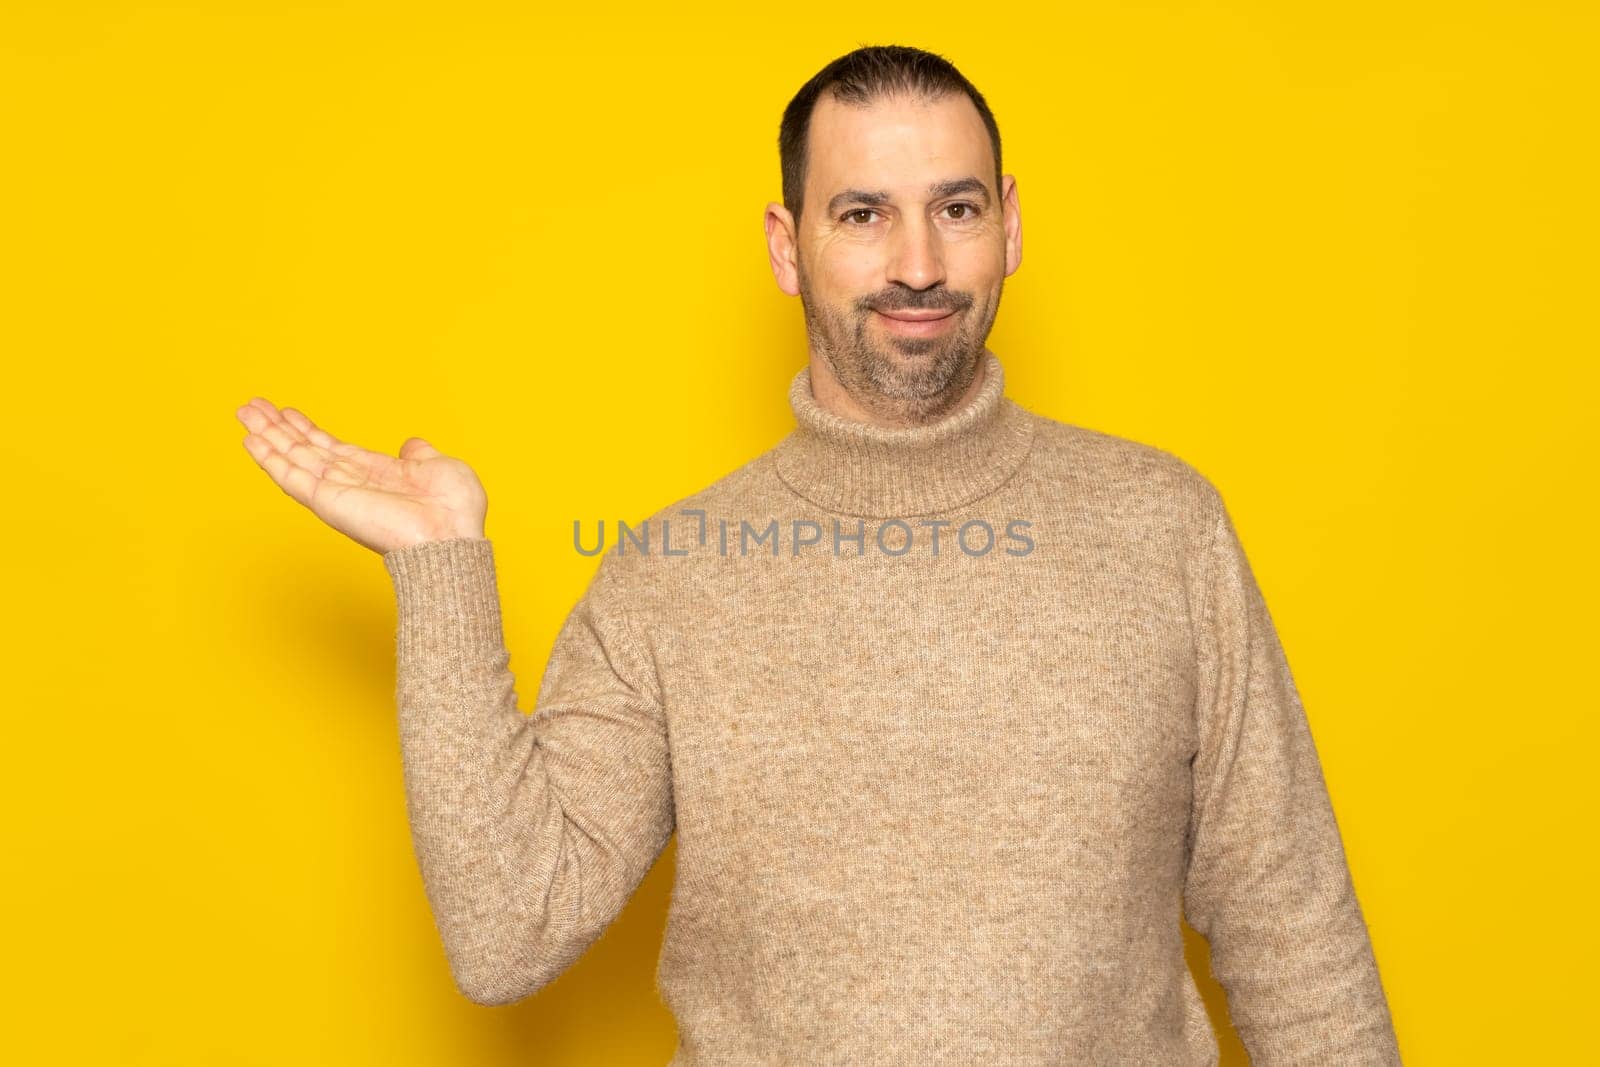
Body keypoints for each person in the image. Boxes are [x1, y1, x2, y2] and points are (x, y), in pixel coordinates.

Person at [236, 43, 1401, 1066]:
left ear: (1011, 223)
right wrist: (442, 570)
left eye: (955, 209)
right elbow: (508, 929)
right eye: (862, 214)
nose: (917, 264)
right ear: (788, 248)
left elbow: (1292, 928)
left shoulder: (1164, 526)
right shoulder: (671, 576)